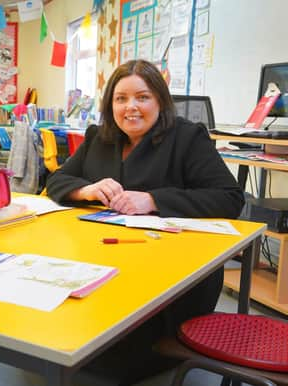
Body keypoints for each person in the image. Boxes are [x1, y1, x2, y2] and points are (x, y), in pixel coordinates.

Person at [46, 59, 244, 385]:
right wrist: (86, 189)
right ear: (111, 104)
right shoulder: (100, 137)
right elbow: (57, 181)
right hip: (105, 264)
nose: (131, 107)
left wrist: (153, 200)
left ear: (160, 101)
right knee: (61, 329)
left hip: (172, 278)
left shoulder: (186, 138)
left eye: (142, 97)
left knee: (112, 358)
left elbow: (229, 198)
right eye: (121, 98)